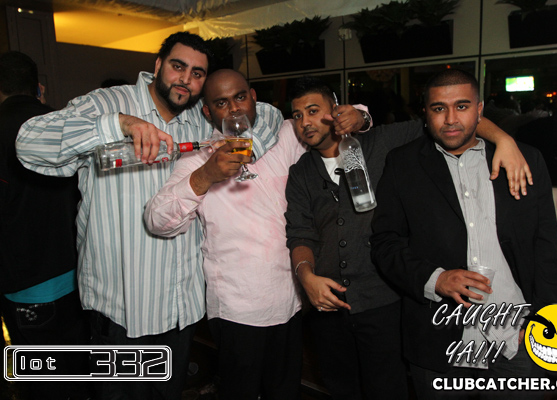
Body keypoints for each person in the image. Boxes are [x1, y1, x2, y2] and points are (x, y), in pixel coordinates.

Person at [15, 33, 283, 400]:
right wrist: (119, 124)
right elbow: (28, 143)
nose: (185, 80)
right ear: (158, 65)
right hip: (123, 310)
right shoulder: (108, 103)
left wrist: (243, 153)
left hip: (181, 308)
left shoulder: (201, 119)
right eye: (178, 66)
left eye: (197, 73)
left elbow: (266, 114)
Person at [285, 76, 536, 400]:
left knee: (388, 389)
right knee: (340, 388)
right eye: (297, 115)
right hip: (328, 307)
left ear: (335, 110)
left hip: (383, 302)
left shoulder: (381, 142)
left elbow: (446, 122)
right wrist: (306, 277)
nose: (305, 122)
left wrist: (504, 139)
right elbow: (300, 232)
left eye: (312, 110)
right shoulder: (301, 172)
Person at [144, 69, 368, 399]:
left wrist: (361, 116)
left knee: (285, 392)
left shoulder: (286, 134)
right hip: (237, 308)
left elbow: (336, 118)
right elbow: (157, 219)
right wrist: (206, 175)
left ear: (252, 97)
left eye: (239, 97)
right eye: (221, 103)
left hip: (291, 301)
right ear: (207, 112)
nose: (234, 109)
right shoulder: (197, 159)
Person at [370, 68, 557, 400]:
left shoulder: (524, 160)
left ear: (479, 110)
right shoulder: (403, 164)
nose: (450, 119)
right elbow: (384, 243)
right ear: (425, 113)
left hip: (516, 339)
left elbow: (545, 250)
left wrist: (549, 325)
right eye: (439, 108)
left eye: (461, 106)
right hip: (440, 341)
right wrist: (435, 279)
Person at [0, 51, 90, 399]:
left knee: (40, 385)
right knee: (78, 376)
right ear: (38, 87)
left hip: (24, 282)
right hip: (79, 275)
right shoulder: (63, 125)